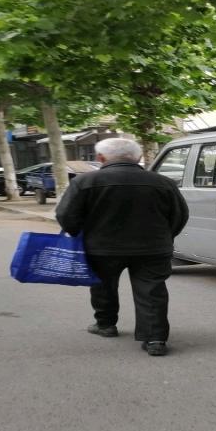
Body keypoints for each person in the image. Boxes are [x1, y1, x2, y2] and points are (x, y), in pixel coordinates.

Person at [56, 138, 188, 356]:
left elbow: (65, 215)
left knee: (102, 286)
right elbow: (179, 215)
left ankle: (106, 324)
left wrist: (78, 233)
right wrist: (166, 236)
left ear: (100, 158)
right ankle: (155, 339)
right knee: (152, 290)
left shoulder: (85, 181)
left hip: (101, 248)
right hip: (152, 247)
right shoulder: (163, 182)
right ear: (138, 158)